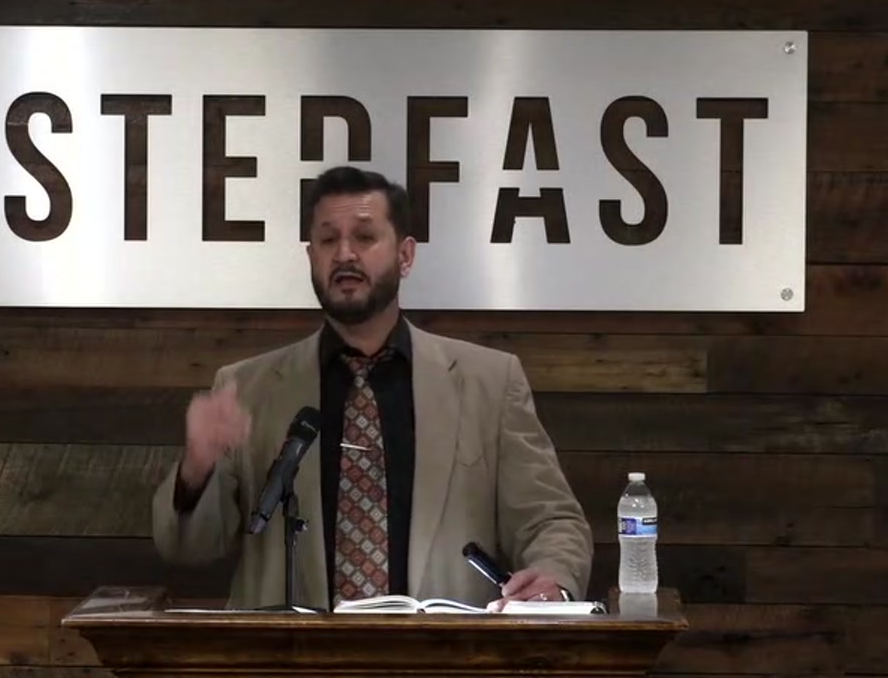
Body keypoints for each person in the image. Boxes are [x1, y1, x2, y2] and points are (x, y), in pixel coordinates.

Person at [151, 166, 592, 611]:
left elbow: (550, 520)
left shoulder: (489, 384)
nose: (345, 254)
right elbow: (189, 547)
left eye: (364, 237)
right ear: (310, 257)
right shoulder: (248, 389)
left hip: (445, 649)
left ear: (405, 256)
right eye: (328, 240)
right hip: (289, 651)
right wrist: (195, 471)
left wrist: (553, 578)